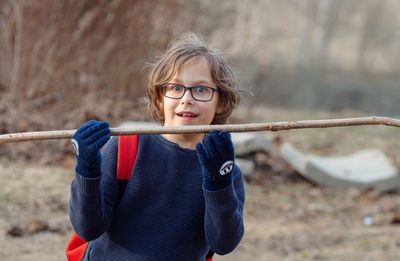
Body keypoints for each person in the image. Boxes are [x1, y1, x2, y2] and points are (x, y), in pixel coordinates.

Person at [69, 33, 245, 261]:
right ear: (160, 97)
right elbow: (87, 228)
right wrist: (87, 170)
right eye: (175, 87)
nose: (187, 99)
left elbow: (223, 244)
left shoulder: (226, 172)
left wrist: (218, 182)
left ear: (220, 101)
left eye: (201, 89)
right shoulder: (126, 148)